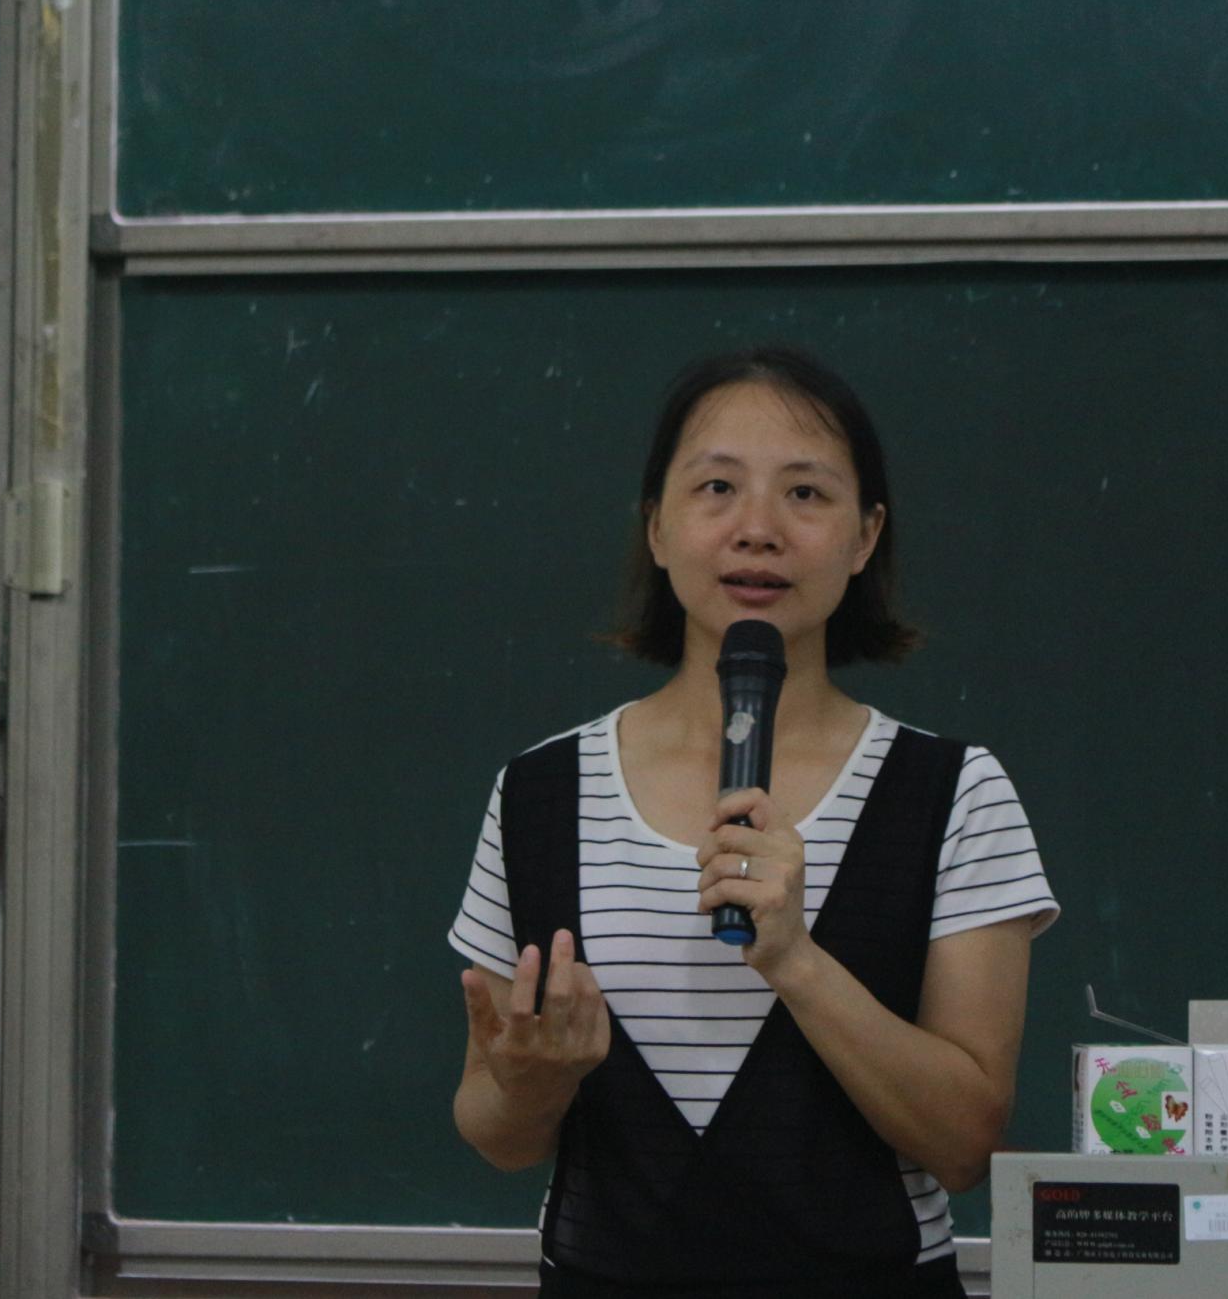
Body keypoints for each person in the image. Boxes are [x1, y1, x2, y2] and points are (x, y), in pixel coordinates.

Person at [447, 346, 1058, 1298]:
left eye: (806, 494)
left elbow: (968, 1141)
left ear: (866, 536)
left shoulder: (955, 792)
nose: (758, 530)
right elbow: (495, 1131)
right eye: (717, 487)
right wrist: (533, 1080)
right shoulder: (540, 791)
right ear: (657, 526)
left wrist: (798, 962)